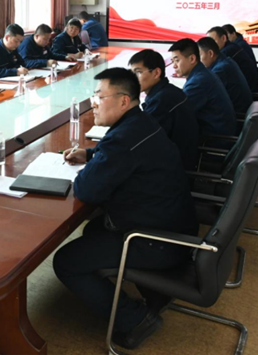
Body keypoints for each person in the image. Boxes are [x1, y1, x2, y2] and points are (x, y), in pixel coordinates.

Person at [54, 68, 198, 350]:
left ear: (123, 101)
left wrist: (92, 165)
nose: (93, 104)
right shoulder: (141, 123)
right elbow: (130, 155)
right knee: (94, 228)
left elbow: (86, 190)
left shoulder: (122, 139)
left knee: (66, 261)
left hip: (156, 240)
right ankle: (156, 291)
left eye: (99, 97)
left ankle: (136, 320)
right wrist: (91, 154)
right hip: (176, 226)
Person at [128, 49, 199, 170]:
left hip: (172, 169)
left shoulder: (162, 101)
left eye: (138, 72)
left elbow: (139, 139)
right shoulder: (167, 91)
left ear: (156, 73)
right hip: (175, 160)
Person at [169, 38, 236, 137]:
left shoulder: (198, 82)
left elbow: (179, 113)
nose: (174, 66)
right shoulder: (202, 73)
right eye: (172, 61)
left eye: (177, 60)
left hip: (214, 138)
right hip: (222, 130)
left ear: (192, 59)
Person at [197, 37, 253, 114]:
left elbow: (203, 94)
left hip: (238, 113)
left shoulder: (220, 69)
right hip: (239, 109)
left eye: (199, 56)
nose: (198, 61)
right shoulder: (225, 60)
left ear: (210, 53)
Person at [207, 26, 258, 91]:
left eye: (213, 41)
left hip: (249, 88)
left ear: (223, 38)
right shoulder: (232, 46)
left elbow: (213, 74)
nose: (209, 46)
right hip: (248, 86)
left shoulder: (227, 52)